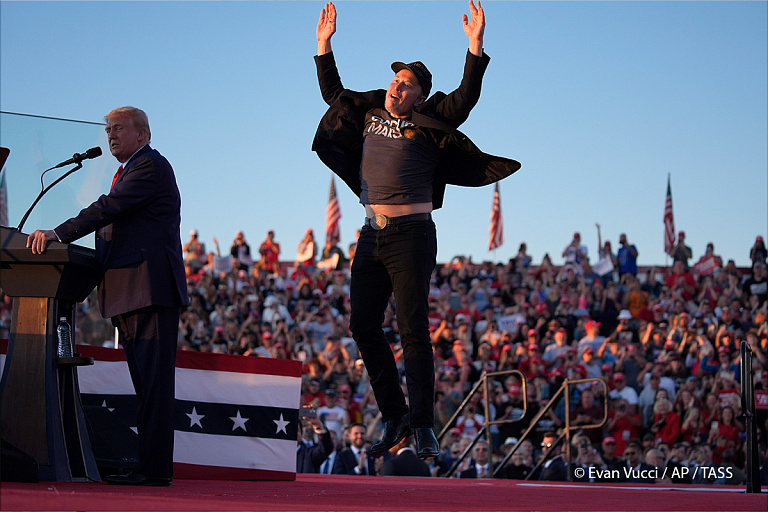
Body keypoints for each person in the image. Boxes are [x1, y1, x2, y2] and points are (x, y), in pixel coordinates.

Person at [313, 1, 520, 459]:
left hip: (412, 234)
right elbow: (335, 95)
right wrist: (324, 45)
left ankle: (424, 425)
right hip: (371, 233)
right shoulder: (367, 114)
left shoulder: (431, 122)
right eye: (394, 78)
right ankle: (395, 416)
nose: (396, 85)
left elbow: (466, 96)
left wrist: (475, 46)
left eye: (406, 83)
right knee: (363, 324)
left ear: (420, 96)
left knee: (412, 328)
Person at [27, 106, 188, 486]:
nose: (111, 135)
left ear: (142, 135)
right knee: (146, 384)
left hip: (149, 289)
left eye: (118, 129)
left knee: (154, 385)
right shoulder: (128, 171)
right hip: (132, 291)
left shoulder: (149, 167)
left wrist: (59, 233)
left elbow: (108, 208)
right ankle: (150, 466)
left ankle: (154, 470)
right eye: (108, 129)